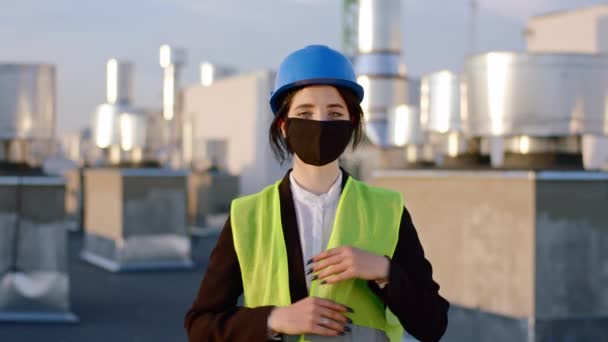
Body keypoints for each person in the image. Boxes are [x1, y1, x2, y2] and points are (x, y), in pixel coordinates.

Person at [185, 45, 449, 342]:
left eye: (334, 112)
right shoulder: (248, 217)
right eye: (305, 112)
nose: (320, 123)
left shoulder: (387, 210)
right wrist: (276, 319)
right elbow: (201, 325)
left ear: (351, 124)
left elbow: (433, 324)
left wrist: (383, 270)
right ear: (284, 126)